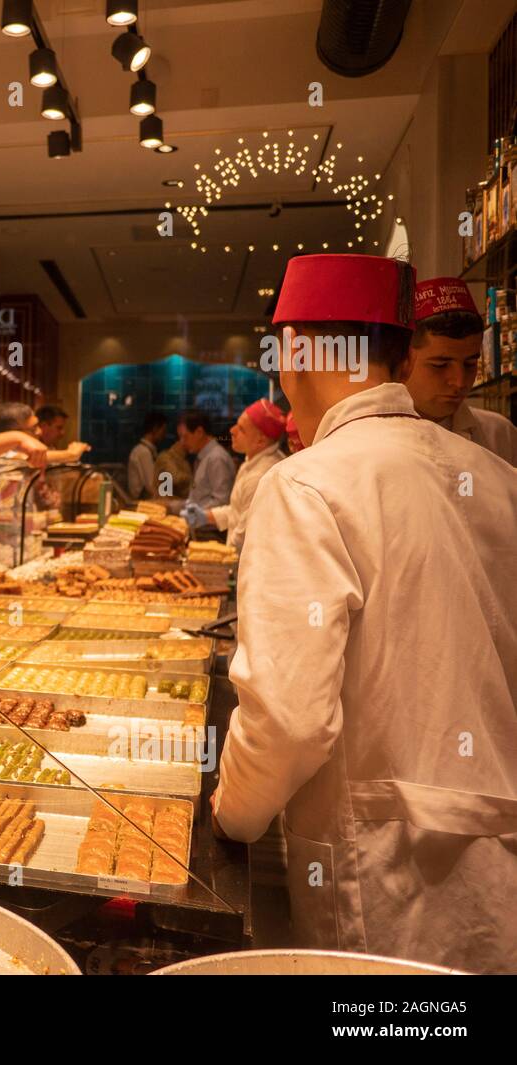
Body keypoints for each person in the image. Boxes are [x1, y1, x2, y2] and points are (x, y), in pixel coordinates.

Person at [212, 253, 517, 973]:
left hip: (390, 887)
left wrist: (232, 813)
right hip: (497, 861)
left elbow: (288, 720)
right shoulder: (503, 480)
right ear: (400, 352)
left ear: (301, 350)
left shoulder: (309, 483)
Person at [403, 276, 517, 464]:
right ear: (403, 360)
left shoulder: (499, 434)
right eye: (440, 365)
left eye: (470, 364)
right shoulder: (368, 439)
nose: (460, 381)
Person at [189, 399, 286, 550]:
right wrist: (205, 516)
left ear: (260, 440)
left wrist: (220, 558)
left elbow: (243, 537)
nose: (232, 431)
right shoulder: (251, 462)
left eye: (241, 429)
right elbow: (237, 512)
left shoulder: (260, 476)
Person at [176, 411, 235, 530]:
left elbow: (221, 501)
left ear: (199, 432)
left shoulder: (216, 458)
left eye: (185, 436)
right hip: (199, 528)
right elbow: (197, 499)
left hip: (211, 532)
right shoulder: (203, 457)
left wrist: (193, 514)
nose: (182, 442)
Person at [0, 401, 88, 463]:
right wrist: (71, 454)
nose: (39, 431)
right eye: (33, 429)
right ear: (12, 433)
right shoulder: (5, 455)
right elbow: (23, 458)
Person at [127, 412, 167, 500]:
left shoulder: (148, 450)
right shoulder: (143, 452)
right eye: (163, 430)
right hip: (141, 502)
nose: (164, 435)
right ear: (155, 429)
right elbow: (151, 485)